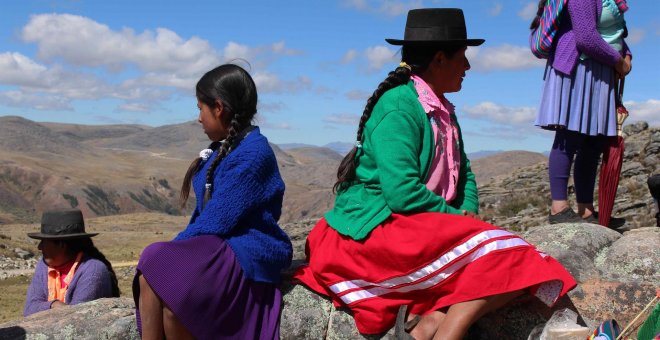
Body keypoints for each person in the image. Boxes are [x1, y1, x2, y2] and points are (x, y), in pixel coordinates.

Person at [294, 8, 577, 340]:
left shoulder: (441, 108)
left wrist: (467, 210)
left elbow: (464, 170)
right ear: (440, 59)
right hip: (380, 229)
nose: (468, 67)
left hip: (423, 225)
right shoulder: (399, 106)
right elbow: (401, 193)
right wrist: (459, 219)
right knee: (512, 253)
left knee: (519, 263)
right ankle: (449, 333)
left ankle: (433, 323)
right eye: (463, 57)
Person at [133, 64, 293, 340]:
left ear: (218, 108)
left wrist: (176, 246)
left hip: (246, 248)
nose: (198, 118)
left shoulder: (253, 154)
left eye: (200, 109)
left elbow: (218, 219)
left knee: (170, 289)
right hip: (219, 243)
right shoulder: (225, 147)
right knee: (152, 263)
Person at [532, 0, 632, 225]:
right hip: (579, 69)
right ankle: (559, 208)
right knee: (570, 136)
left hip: (599, 70)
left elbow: (613, 32)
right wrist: (618, 62)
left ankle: (586, 210)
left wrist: (627, 55)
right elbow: (586, 37)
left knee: (593, 141)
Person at [24, 209, 119, 317]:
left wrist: (45, 307)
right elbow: (29, 309)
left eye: (44, 241)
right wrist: (54, 305)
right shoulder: (44, 266)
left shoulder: (93, 271)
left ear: (61, 244)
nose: (39, 247)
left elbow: (77, 317)